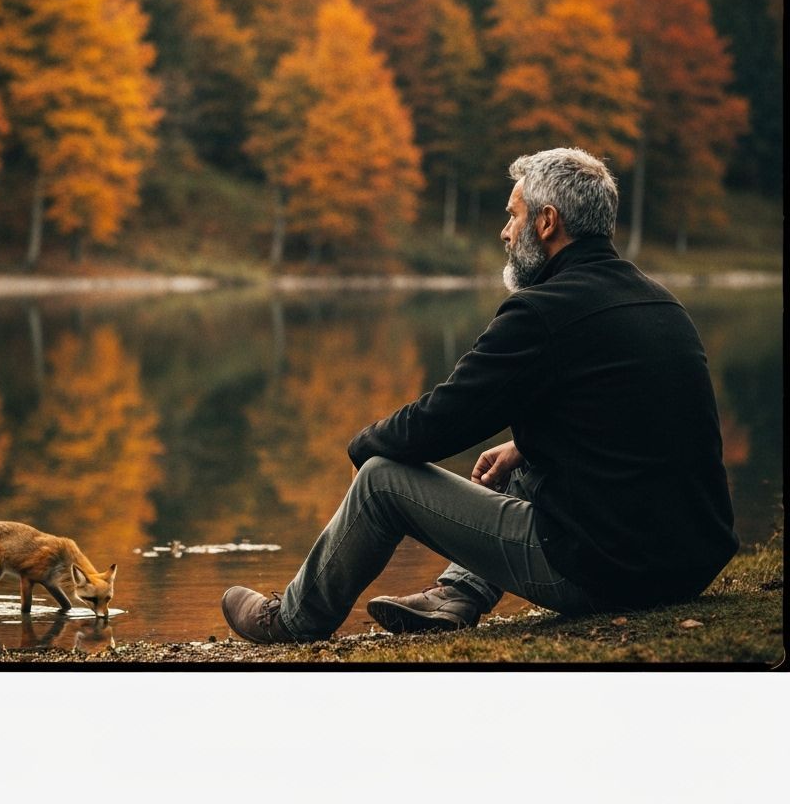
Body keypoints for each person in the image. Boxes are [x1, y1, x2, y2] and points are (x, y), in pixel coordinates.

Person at [221, 147, 739, 643]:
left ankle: (293, 619)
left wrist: (362, 446)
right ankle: (458, 594)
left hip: (608, 575)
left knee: (381, 478)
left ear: (547, 222)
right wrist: (523, 447)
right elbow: (638, 425)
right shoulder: (662, 303)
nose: (504, 231)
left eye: (514, 215)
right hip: (690, 565)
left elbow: (441, 421)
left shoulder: (541, 312)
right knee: (516, 463)